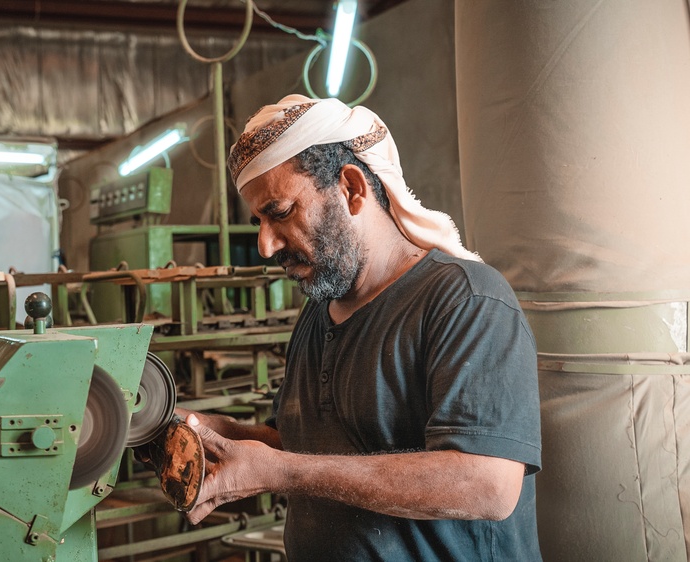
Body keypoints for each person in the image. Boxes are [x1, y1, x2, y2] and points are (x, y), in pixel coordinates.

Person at [180, 94, 542, 560]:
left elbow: (487, 485)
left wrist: (282, 472)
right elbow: (303, 447)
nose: (265, 246)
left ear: (351, 188)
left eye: (281, 212)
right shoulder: (318, 313)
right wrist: (219, 434)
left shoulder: (465, 301)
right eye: (258, 221)